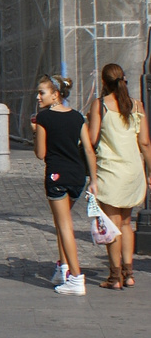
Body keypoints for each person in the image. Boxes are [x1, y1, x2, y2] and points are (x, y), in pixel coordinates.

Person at [86, 62, 151, 289]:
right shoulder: (138, 106)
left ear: (104, 82)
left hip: (111, 172)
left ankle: (114, 277)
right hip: (133, 172)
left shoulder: (100, 105)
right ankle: (129, 273)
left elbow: (93, 139)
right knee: (125, 223)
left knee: (111, 223)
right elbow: (144, 143)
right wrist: (150, 172)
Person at [33, 74, 98, 296]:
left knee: (64, 226)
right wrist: (94, 180)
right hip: (77, 175)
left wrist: (36, 134)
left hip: (56, 175)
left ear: (55, 94)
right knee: (64, 222)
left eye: (42, 92)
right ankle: (63, 268)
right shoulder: (78, 117)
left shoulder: (44, 119)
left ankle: (76, 277)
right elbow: (88, 149)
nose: (38, 97)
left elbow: (40, 154)